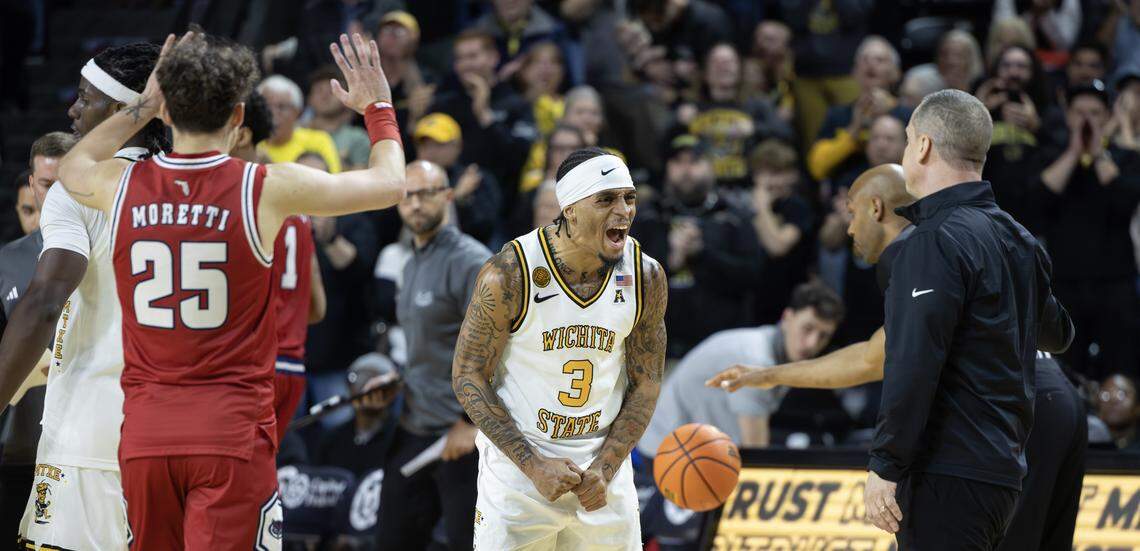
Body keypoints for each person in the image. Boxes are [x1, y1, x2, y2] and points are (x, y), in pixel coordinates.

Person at [55, 31, 406, 548]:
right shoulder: (264, 187)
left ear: (167, 115)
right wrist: (378, 107)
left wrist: (146, 106)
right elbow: (390, 184)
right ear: (239, 117)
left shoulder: (120, 185)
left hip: (146, 436)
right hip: (229, 435)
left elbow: (71, 165)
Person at [710, 164, 1084, 551]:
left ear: (877, 209)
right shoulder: (982, 232)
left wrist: (773, 376)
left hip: (1014, 412)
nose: (850, 228)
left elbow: (877, 361)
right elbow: (1056, 330)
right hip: (1056, 398)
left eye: (852, 213)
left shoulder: (916, 248)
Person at [858, 90, 1061, 549]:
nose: (907, 150)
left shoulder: (931, 241)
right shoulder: (1019, 238)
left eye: (907, 140)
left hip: (946, 468)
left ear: (924, 146)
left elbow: (914, 361)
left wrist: (885, 465)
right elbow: (1058, 332)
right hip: (1002, 473)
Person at [452, 147, 667, 548]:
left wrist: (606, 466)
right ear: (569, 208)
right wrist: (533, 466)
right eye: (606, 199)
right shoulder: (510, 274)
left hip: (603, 472)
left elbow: (648, 381)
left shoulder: (645, 275)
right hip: (519, 472)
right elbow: (467, 373)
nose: (624, 211)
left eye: (629, 197)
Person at [0, 44, 163, 548]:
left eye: (84, 97)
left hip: (90, 433)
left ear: (120, 111)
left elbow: (47, 298)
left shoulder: (79, 184)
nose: (72, 109)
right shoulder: (198, 185)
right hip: (176, 431)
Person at [634, 280, 842, 550]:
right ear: (787, 317)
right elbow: (757, 454)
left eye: (824, 335)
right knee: (685, 539)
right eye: (808, 329)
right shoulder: (758, 359)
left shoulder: (773, 347)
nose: (812, 343)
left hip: (693, 443)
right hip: (670, 450)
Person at [378, 161, 490, 550]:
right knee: (392, 539)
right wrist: (396, 380)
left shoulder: (470, 261)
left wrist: (469, 422)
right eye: (406, 195)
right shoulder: (409, 261)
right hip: (415, 425)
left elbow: (499, 345)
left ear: (447, 195)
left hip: (460, 435)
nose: (415, 204)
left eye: (426, 193)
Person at [231, 104, 329, 444]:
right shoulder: (299, 214)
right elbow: (316, 309)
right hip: (292, 367)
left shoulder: (242, 200)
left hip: (252, 364)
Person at [0, 131, 76, 542]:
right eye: (47, 184)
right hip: (19, 450)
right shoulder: (6, 261)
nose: (57, 194)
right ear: (31, 184)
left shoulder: (106, 253)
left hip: (82, 453)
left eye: (67, 182)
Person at [1038, 83, 1140, 380]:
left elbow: (1126, 200)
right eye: (1079, 112)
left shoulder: (1125, 156)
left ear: (1108, 115)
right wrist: (1073, 153)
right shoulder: (1050, 151)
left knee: (1121, 368)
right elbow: (1038, 200)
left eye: (1095, 113)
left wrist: (1098, 154)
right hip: (1066, 284)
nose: (1086, 120)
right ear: (1066, 115)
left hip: (1115, 283)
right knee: (1064, 372)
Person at [631, 134, 763, 358]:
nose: (685, 169)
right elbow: (625, 280)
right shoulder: (648, 217)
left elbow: (753, 276)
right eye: (678, 162)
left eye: (694, 161)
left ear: (711, 167)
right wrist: (669, 261)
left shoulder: (733, 217)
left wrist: (701, 254)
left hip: (722, 347)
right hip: (658, 349)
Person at [807, 36, 908, 184]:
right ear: (854, 71)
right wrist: (854, 129)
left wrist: (889, 114)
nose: (871, 65)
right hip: (846, 198)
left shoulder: (909, 115)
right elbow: (817, 168)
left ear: (895, 73)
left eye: (880, 60)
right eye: (864, 59)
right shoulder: (838, 115)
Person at [748, 139, 816, 324]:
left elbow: (777, 246)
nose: (768, 181)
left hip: (789, 301)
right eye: (762, 173)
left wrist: (761, 206)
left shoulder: (798, 207)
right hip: (753, 301)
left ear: (792, 176)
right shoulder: (744, 207)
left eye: (776, 173)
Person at [412, 112, 502, 244]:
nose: (430, 152)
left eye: (438, 145)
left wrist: (462, 203)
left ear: (457, 146)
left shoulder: (475, 178)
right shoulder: (410, 181)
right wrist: (455, 197)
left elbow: (485, 229)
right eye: (424, 145)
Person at [314, 352, 402, 477]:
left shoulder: (401, 439)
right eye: (357, 378)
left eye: (375, 380)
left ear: (392, 392)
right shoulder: (331, 440)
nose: (365, 387)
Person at [257, 73, 342, 172]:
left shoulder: (318, 142)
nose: (273, 113)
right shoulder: (249, 145)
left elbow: (332, 181)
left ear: (297, 112)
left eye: (281, 107)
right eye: (266, 106)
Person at [306, 65, 373, 169]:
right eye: (319, 90)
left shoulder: (358, 138)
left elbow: (361, 179)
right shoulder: (294, 132)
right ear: (309, 98)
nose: (325, 96)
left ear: (346, 98)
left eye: (332, 91)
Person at [1097, 373, 1140, 451]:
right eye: (1105, 395)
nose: (1113, 399)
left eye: (1121, 394)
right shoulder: (1086, 446)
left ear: (1137, 406)